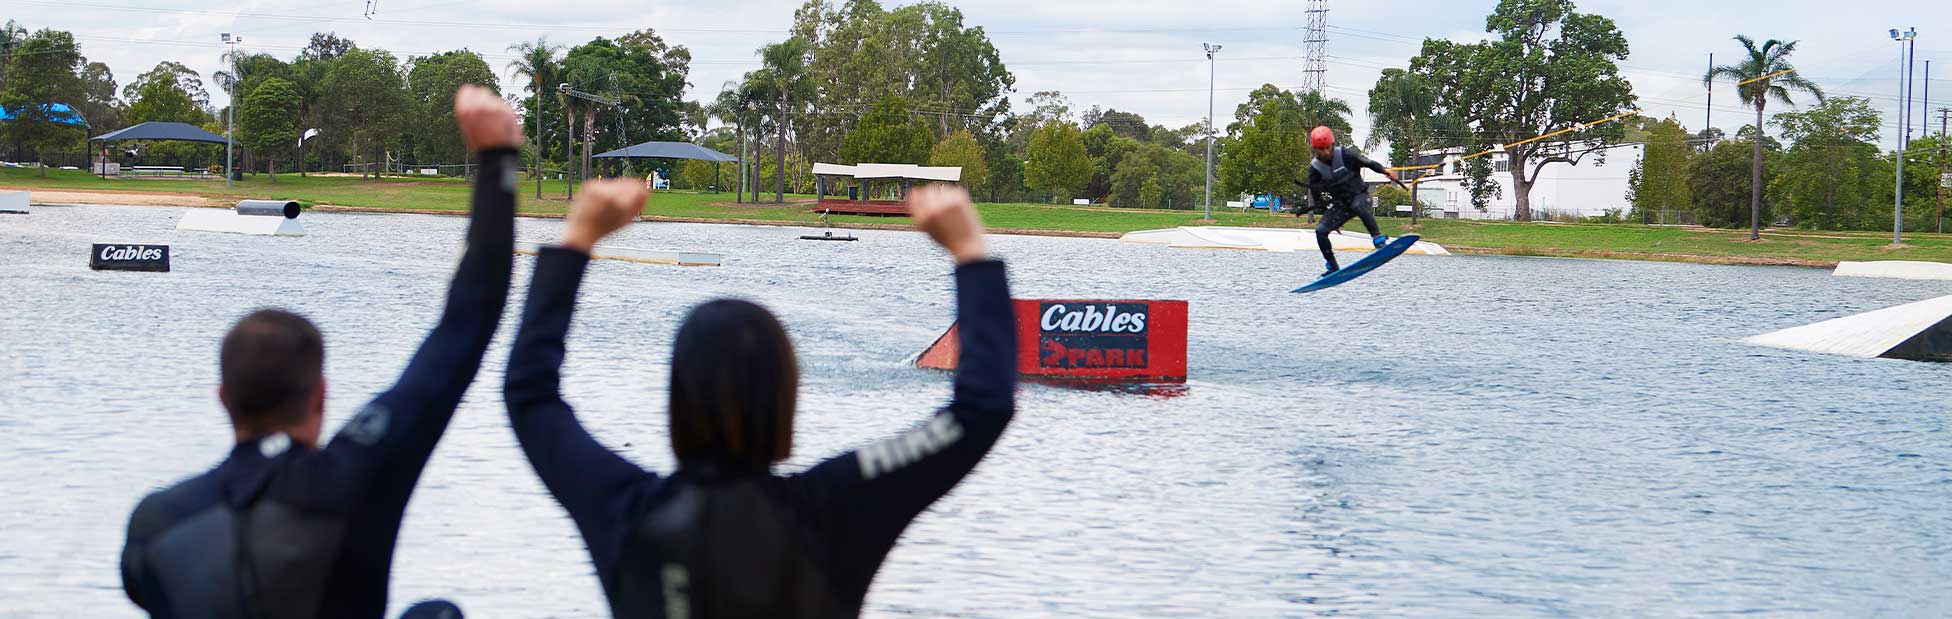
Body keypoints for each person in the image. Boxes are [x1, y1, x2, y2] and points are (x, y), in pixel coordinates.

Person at [502, 182, 1017, 618]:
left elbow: (531, 395)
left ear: (677, 399)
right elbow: (980, 408)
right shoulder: (833, 508)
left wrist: (578, 239)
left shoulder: (623, 508)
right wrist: (969, 250)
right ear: (786, 397)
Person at [118, 85, 521, 619]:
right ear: (321, 394)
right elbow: (465, 328)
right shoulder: (354, 476)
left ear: (223, 397)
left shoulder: (157, 521)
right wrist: (499, 160)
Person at [1299, 125, 1401, 277]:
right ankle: (1332, 265)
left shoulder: (1345, 154)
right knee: (1320, 230)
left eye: (1327, 147)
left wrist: (1385, 171)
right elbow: (1317, 197)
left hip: (1361, 196)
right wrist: (1331, 219)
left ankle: (1378, 239)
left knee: (1358, 205)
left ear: (1332, 144)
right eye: (1321, 149)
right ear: (1315, 149)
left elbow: (1368, 163)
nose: (1326, 152)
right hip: (1341, 206)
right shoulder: (1315, 169)